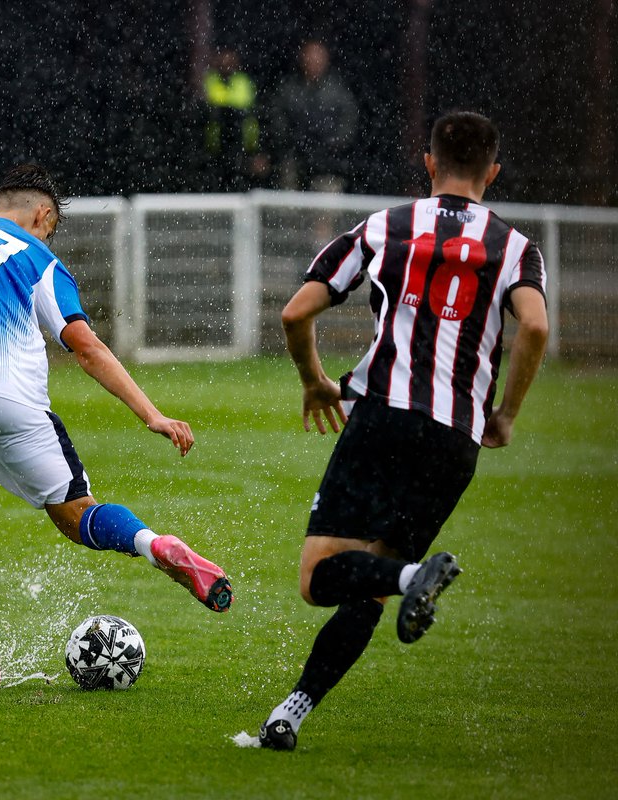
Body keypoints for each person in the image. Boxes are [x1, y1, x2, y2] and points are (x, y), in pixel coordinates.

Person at [0, 164, 234, 688]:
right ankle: (155, 545)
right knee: (78, 516)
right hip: (14, 401)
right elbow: (86, 347)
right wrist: (153, 414)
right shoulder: (40, 257)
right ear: (43, 215)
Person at [258, 112, 549, 750]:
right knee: (375, 576)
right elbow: (533, 328)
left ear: (428, 164)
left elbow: (295, 311)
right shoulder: (517, 248)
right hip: (456, 441)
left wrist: (313, 381)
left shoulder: (387, 226)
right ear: (492, 173)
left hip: (384, 418)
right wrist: (506, 414)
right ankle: (292, 712)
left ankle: (411, 578)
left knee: (324, 578)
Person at [267, 40, 359, 192]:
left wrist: (331, 144)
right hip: (294, 159)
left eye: (318, 58)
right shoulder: (289, 90)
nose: (313, 62)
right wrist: (294, 141)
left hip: (328, 162)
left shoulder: (338, 91)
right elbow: (277, 119)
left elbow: (348, 121)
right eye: (309, 57)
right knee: (287, 200)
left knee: (327, 202)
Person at [200, 47, 269, 192]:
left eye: (230, 58)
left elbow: (256, 117)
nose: (226, 63)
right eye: (222, 57)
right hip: (214, 150)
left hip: (244, 150)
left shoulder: (244, 82)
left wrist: (258, 151)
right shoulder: (208, 82)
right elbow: (204, 116)